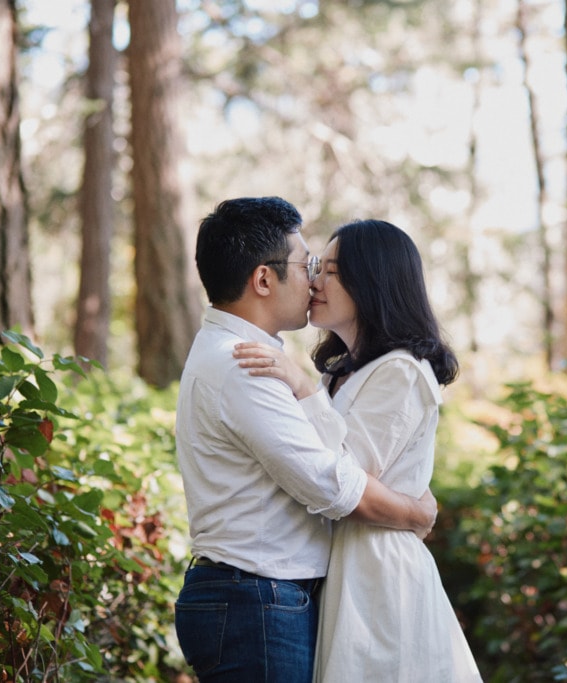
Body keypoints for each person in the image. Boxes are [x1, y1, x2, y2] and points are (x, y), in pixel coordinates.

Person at [173, 198, 438, 683]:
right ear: (263, 280)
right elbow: (330, 483)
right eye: (307, 264)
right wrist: (416, 512)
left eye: (325, 269)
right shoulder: (243, 365)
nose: (313, 279)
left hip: (261, 597)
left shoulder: (243, 355)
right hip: (256, 599)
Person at [235, 219, 482, 682]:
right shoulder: (338, 372)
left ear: (373, 281)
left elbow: (346, 474)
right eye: (316, 267)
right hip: (335, 566)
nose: (315, 281)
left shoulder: (403, 371)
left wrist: (301, 388)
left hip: (379, 574)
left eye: (332, 270)